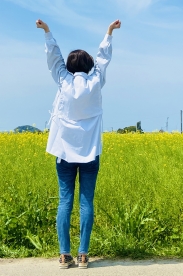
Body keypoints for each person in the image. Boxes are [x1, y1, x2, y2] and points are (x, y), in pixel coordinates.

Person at [36, 18, 121, 269]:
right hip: (90, 153)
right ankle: (83, 255)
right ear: (89, 66)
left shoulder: (63, 81)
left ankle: (64, 255)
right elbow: (103, 59)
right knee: (86, 203)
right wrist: (109, 33)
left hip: (64, 154)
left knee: (65, 202)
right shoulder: (96, 82)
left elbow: (54, 58)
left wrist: (48, 32)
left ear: (69, 67)